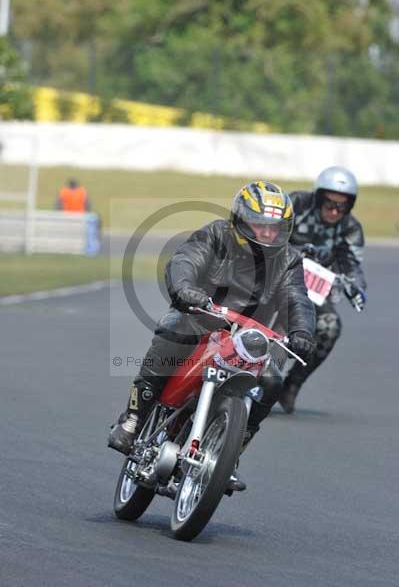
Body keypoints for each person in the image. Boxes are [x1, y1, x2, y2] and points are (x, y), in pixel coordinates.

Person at [108, 181, 316, 490]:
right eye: (260, 226)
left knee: (273, 381)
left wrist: (302, 331)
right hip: (200, 316)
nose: (268, 235)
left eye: (276, 228)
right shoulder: (216, 234)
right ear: (241, 221)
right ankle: (133, 418)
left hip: (251, 336)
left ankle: (230, 453)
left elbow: (297, 298)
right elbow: (185, 260)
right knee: (172, 335)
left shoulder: (289, 259)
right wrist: (186, 290)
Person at [278, 166, 367, 414]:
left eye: (342, 206)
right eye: (329, 203)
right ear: (317, 197)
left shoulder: (350, 228)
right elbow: (267, 233)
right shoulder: (295, 204)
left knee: (330, 325)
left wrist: (357, 288)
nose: (334, 211)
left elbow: (353, 267)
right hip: (274, 278)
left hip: (312, 291)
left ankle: (292, 384)